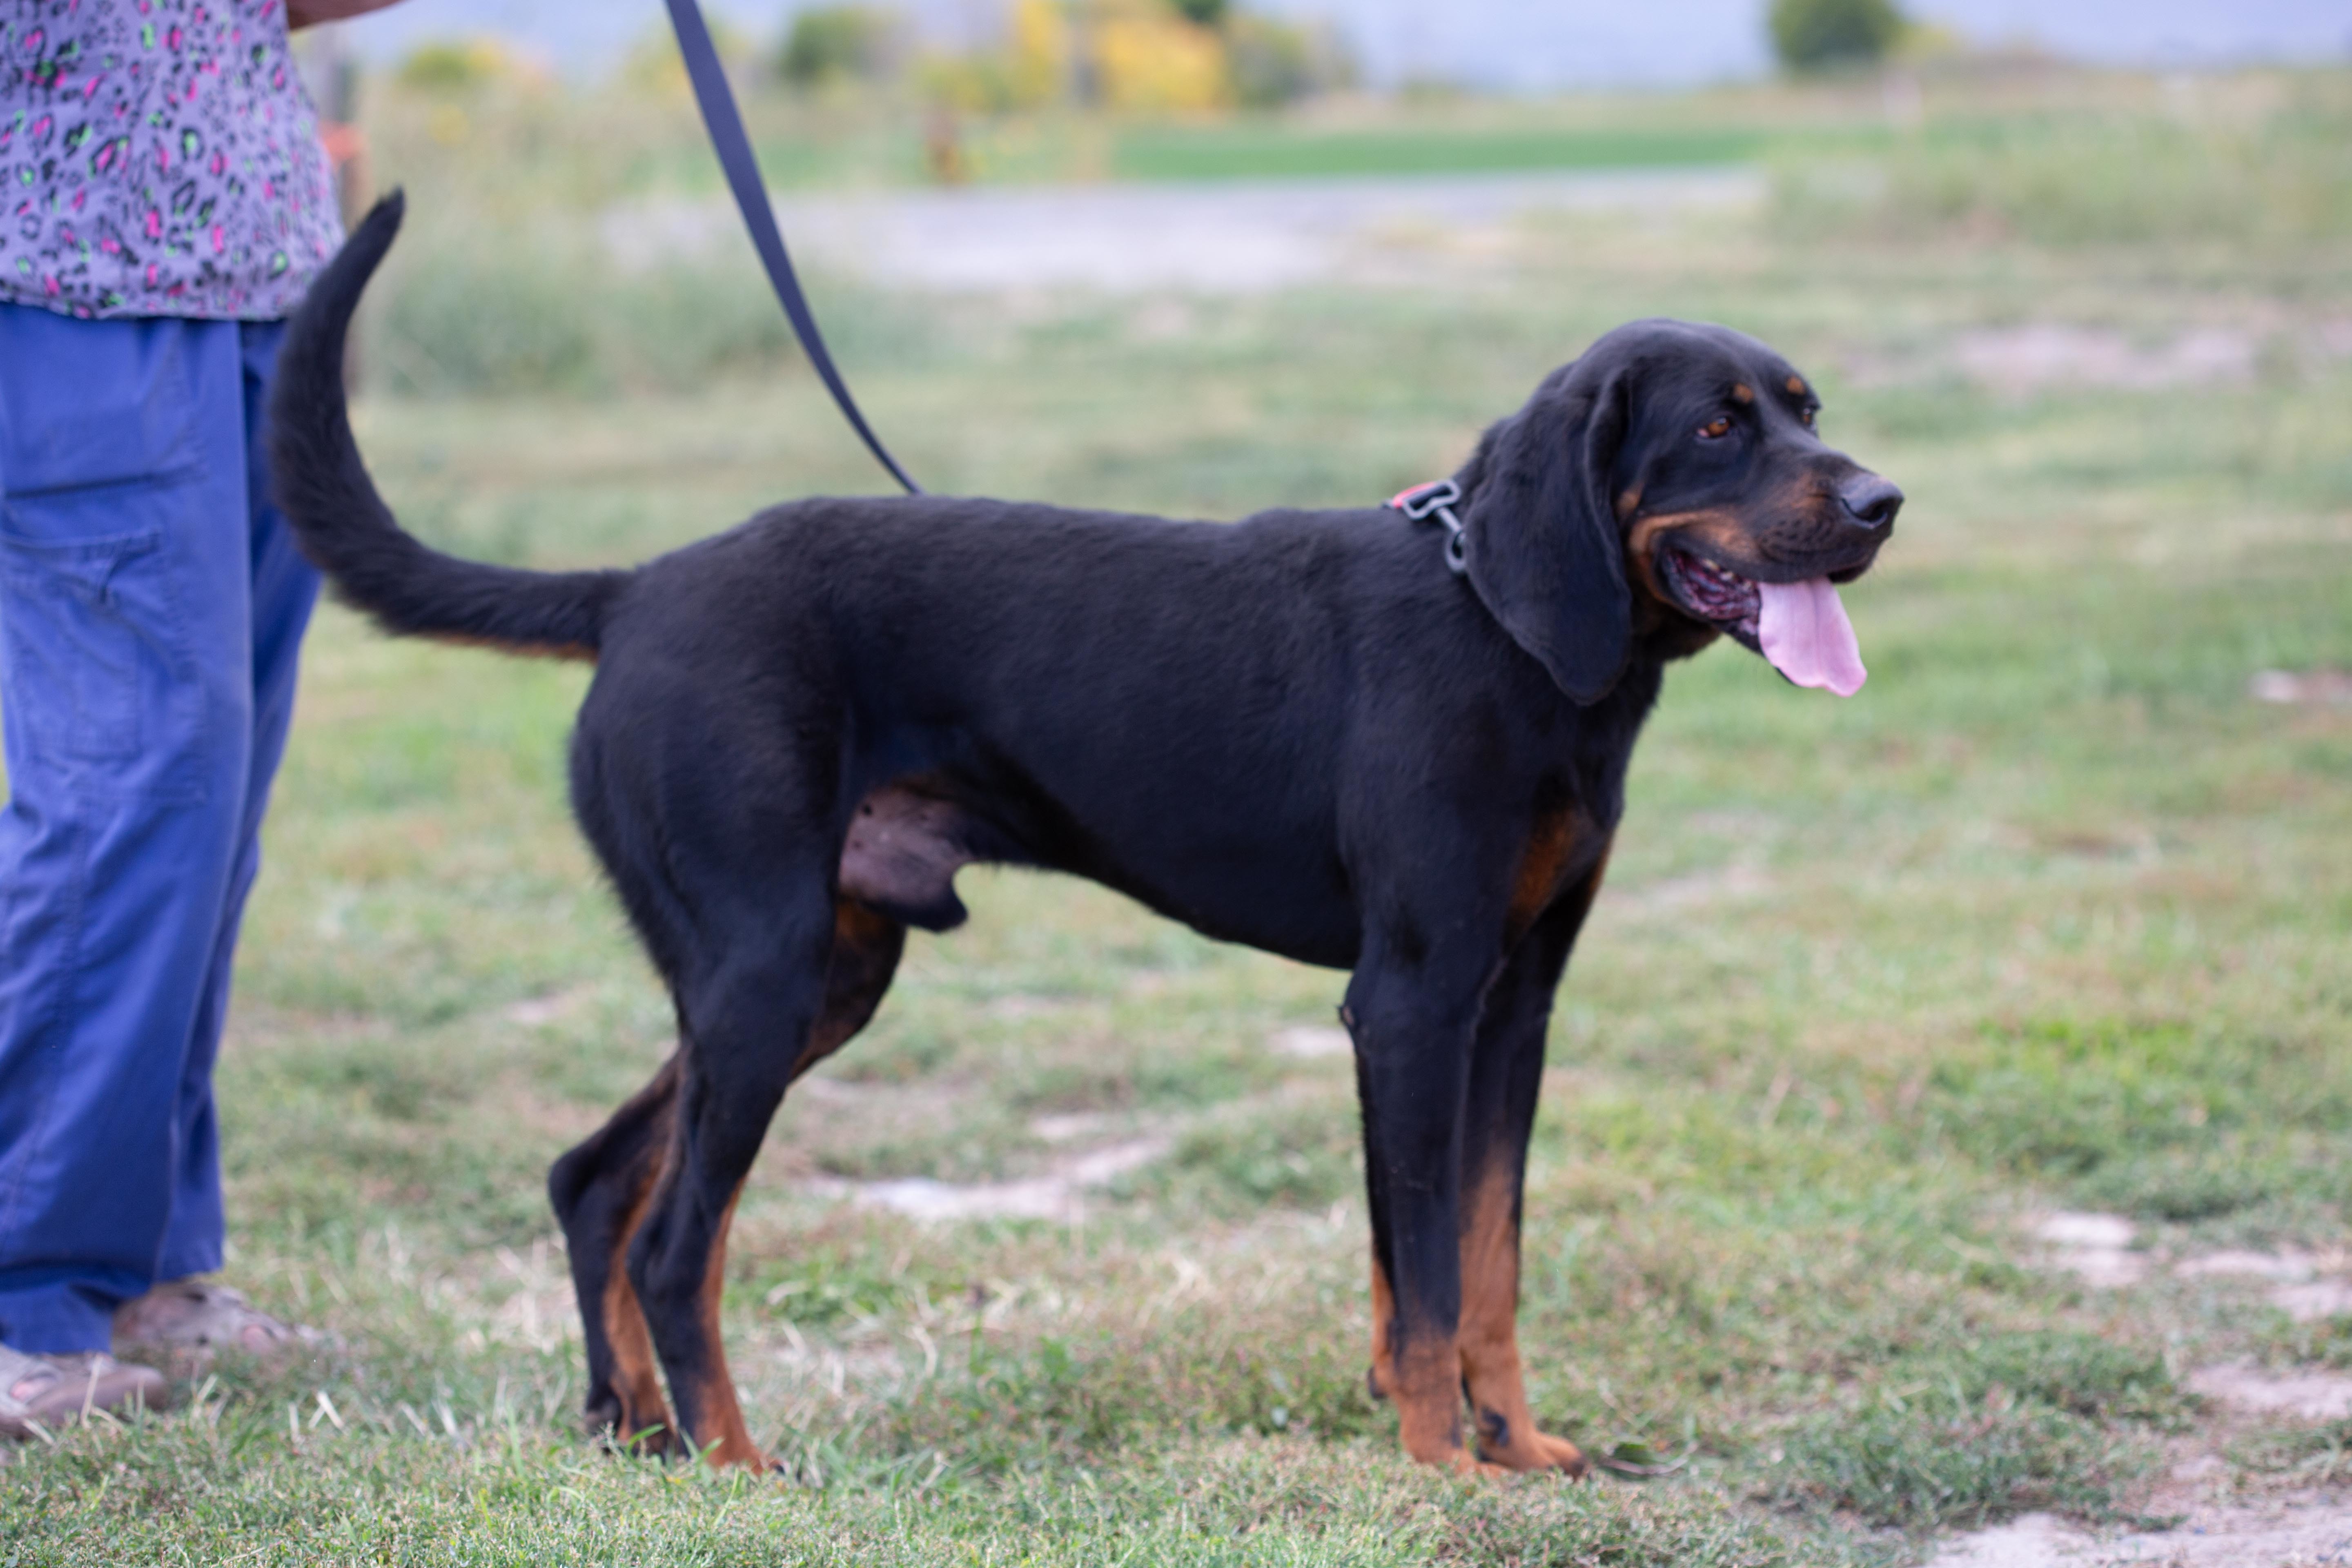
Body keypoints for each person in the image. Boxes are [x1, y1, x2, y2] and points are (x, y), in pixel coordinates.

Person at [0, 0, 410, 1439]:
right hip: (66, 280)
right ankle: (15, 1297)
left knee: (209, 811)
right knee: (134, 792)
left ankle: (143, 1271)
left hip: (256, 280)